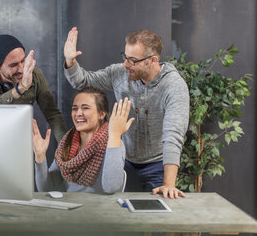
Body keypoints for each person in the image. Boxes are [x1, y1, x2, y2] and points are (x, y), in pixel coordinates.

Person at [63, 27, 189, 198]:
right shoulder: (119, 73)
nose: (125, 64)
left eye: (133, 60)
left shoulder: (174, 86)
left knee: (155, 217)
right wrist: (70, 62)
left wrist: (168, 184)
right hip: (125, 162)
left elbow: (173, 136)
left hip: (158, 166)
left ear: (153, 60)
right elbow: (83, 81)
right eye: (125, 56)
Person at [33, 87, 134, 193]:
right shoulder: (67, 143)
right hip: (69, 206)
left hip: (101, 208)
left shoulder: (114, 143)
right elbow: (47, 189)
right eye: (75, 108)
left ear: (102, 114)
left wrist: (114, 136)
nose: (78, 113)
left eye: (85, 108)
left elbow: (112, 188)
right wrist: (40, 157)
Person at [0, 34, 67, 143]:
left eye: (23, 61)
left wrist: (66, 148)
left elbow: (53, 115)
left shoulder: (35, 75)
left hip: (22, 139)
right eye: (13, 65)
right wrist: (20, 88)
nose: (22, 69)